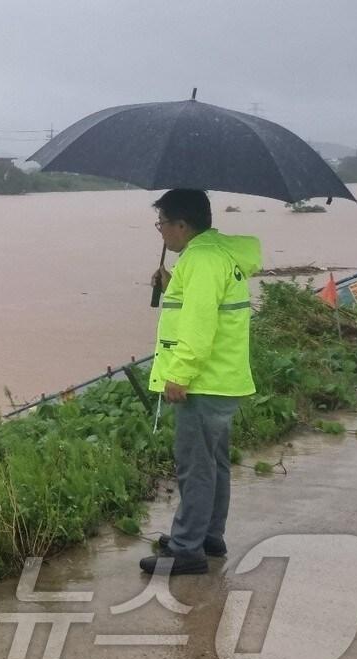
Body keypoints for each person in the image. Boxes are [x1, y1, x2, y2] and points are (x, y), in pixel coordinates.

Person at [141, 189, 261, 576]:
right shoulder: (211, 255)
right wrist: (173, 281)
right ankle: (207, 535)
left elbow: (199, 324)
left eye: (162, 224)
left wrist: (180, 375)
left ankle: (186, 547)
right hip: (221, 379)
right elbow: (201, 304)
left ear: (181, 224)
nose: (161, 233)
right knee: (213, 462)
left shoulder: (204, 260)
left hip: (204, 381)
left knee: (196, 465)